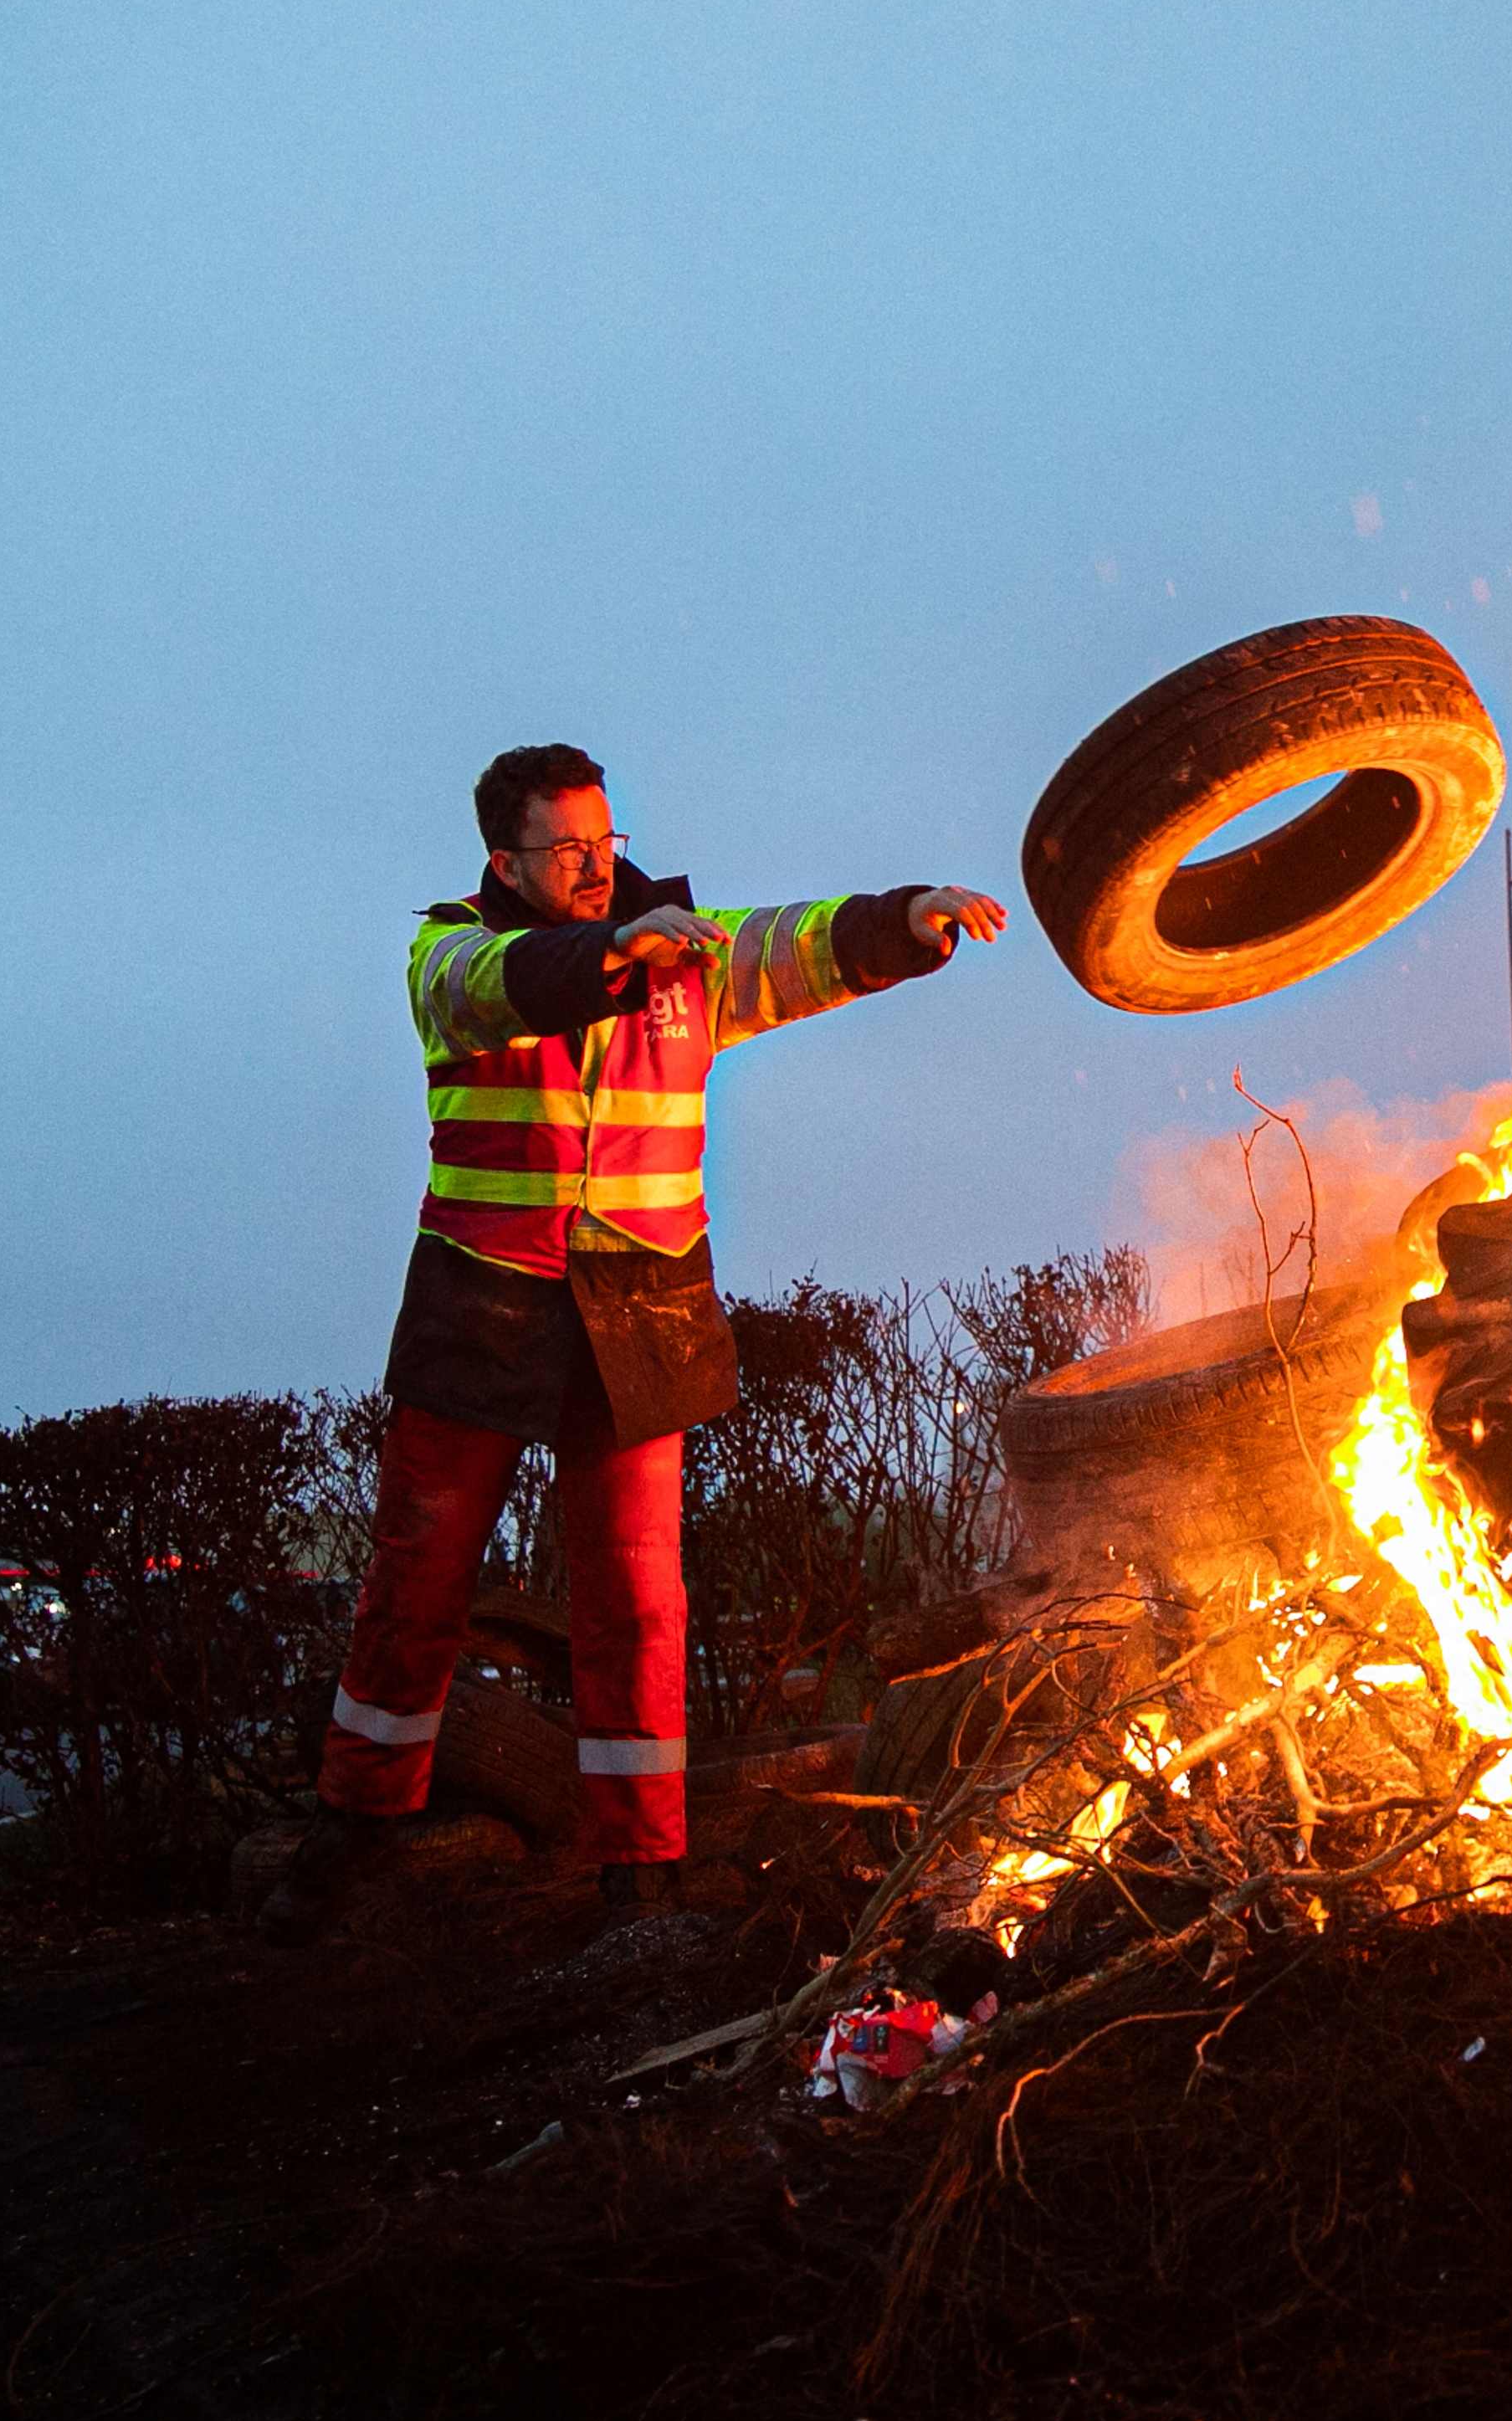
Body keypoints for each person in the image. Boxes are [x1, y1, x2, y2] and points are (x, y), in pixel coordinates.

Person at [265, 738, 1001, 1947]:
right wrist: (610, 954)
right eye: (566, 851)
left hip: (641, 1310)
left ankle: (643, 1867)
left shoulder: (690, 953)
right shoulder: (450, 952)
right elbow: (514, 984)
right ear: (505, 860)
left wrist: (907, 918)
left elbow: (799, 943)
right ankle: (360, 1828)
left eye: (604, 843)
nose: (596, 867)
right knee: (417, 1578)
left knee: (640, 1603)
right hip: (482, 1304)